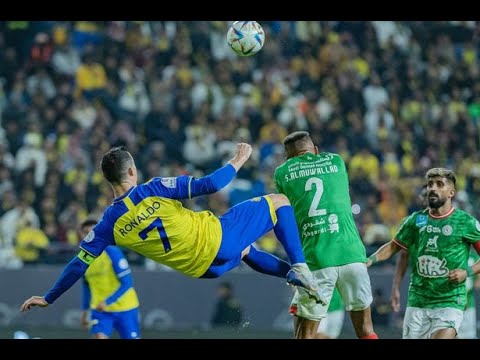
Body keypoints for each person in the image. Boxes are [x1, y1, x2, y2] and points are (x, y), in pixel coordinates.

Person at [20, 143, 324, 314]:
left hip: (203, 269)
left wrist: (49, 297)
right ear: (131, 171)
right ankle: (299, 267)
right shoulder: (151, 189)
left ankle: (289, 275)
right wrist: (239, 158)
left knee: (246, 249)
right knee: (278, 201)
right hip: (217, 239)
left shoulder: (107, 225)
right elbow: (211, 184)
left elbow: (78, 264)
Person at [273, 131, 377, 339]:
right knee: (366, 330)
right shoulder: (336, 161)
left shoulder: (282, 172)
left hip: (318, 259)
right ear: (316, 151)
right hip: (354, 256)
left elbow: (285, 211)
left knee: (305, 334)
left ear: (288, 158)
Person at [368, 167, 480, 339]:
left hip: (450, 301)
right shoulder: (415, 220)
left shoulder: (466, 222)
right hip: (418, 301)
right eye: (430, 184)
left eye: (439, 184)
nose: (432, 188)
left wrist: (467, 272)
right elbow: (394, 246)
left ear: (451, 192)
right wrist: (371, 259)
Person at [78, 218, 141, 339]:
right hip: (100, 311)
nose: (90, 235)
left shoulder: (112, 252)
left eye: (93, 231)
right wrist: (84, 313)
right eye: (86, 232)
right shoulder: (82, 260)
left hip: (125, 308)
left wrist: (107, 301)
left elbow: (127, 283)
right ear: (81, 235)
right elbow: (87, 288)